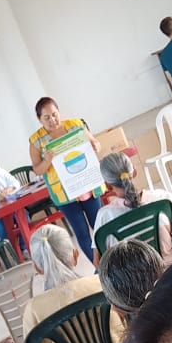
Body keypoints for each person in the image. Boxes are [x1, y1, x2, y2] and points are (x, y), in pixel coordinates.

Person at [27, 97, 104, 261]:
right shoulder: (36, 141)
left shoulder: (75, 125)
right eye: (46, 117)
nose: (52, 120)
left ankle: (112, 262)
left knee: (100, 226)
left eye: (54, 114)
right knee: (82, 233)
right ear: (39, 119)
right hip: (64, 194)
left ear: (59, 112)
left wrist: (96, 146)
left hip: (87, 185)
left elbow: (95, 142)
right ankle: (99, 267)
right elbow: (37, 169)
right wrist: (47, 161)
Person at [92, 151, 172, 265]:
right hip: (171, 271)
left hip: (133, 277)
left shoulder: (104, 216)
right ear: (134, 172)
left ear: (107, 185)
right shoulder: (163, 198)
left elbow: (98, 263)